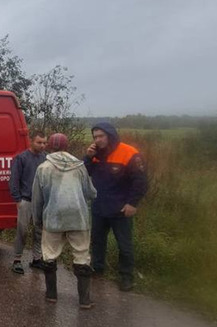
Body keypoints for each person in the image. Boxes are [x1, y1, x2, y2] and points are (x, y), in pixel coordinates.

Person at [32, 133, 97, 308]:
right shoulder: (80, 167)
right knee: (82, 255)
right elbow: (91, 193)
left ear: (50, 147)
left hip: (53, 218)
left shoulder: (43, 168)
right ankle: (84, 300)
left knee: (49, 255)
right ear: (67, 146)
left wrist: (38, 220)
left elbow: (37, 199)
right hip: (78, 218)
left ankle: (51, 295)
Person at [84, 122, 148, 291]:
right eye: (95, 137)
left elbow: (140, 182)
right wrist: (88, 157)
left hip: (120, 209)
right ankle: (97, 269)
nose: (97, 140)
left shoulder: (129, 153)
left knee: (124, 245)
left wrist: (132, 203)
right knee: (97, 241)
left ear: (110, 135)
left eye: (101, 136)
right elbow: (85, 173)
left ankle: (126, 277)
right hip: (99, 206)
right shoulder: (96, 154)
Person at [8, 131, 47, 274]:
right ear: (31, 141)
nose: (42, 145)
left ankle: (37, 259)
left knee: (39, 231)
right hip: (26, 201)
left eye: (44, 143)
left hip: (41, 202)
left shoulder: (46, 158)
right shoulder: (21, 158)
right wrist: (17, 199)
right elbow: (14, 180)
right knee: (22, 231)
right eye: (39, 142)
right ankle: (17, 260)